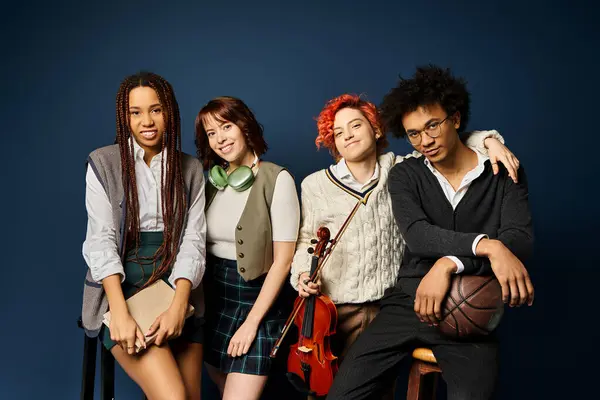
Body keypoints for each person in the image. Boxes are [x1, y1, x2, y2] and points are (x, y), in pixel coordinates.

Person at [290, 93, 521, 398]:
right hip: (334, 307)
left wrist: (490, 141)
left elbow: (444, 139)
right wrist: (301, 276)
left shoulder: (401, 169)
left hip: (387, 301)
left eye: (356, 125)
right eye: (338, 132)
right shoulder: (315, 184)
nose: (347, 136)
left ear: (375, 129)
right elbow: (307, 239)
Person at [80, 71, 206, 399]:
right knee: (173, 396)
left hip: (179, 284)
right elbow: (101, 240)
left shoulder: (190, 169)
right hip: (122, 287)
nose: (146, 121)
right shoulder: (104, 162)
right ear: (125, 117)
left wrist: (179, 305)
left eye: (156, 110)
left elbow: (193, 241)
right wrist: (119, 313)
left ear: (170, 113)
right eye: (135, 112)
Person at [195, 96, 301, 400]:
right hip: (214, 302)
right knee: (223, 389)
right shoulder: (212, 182)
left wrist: (251, 323)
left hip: (256, 302)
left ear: (244, 126)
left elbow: (283, 261)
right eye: (211, 133)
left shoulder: (277, 179)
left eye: (225, 127)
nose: (219, 139)